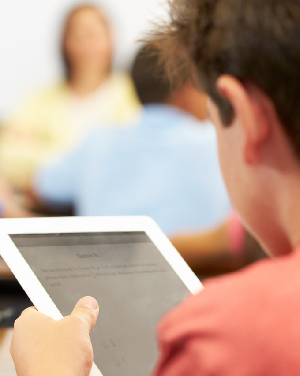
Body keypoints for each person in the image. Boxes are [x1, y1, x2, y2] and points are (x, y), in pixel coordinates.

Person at [10, 0, 300, 375]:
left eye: (212, 117)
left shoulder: (217, 339)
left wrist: (51, 368)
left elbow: (41, 183)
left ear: (243, 114)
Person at [30, 46, 231, 237]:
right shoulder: (218, 145)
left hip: (104, 270)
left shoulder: (98, 141)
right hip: (202, 272)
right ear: (187, 87)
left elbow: (44, 185)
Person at [0, 4, 140, 190]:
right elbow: (7, 156)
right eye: (80, 34)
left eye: (95, 34)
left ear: (111, 39)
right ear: (65, 42)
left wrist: (50, 156)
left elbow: (137, 161)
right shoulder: (40, 99)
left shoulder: (133, 94)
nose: (88, 44)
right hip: (47, 209)